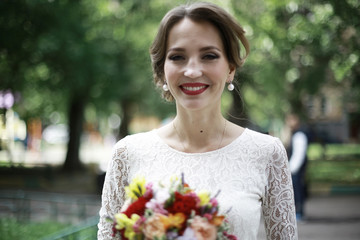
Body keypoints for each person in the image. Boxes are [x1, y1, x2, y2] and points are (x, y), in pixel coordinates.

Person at [98, 2, 298, 239]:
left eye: (209, 56)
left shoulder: (267, 153)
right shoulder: (127, 153)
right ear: (162, 70)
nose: (192, 71)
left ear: (231, 68)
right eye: (178, 57)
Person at [285, 113, 308, 221]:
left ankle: (299, 213)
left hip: (296, 171)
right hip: (294, 170)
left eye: (291, 120)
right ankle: (297, 212)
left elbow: (299, 155)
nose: (289, 123)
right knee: (295, 192)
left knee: (298, 191)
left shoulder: (299, 135)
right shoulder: (294, 134)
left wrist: (290, 169)